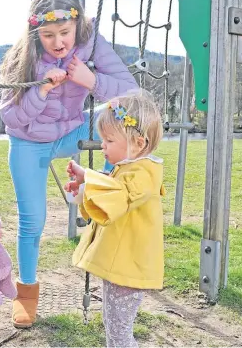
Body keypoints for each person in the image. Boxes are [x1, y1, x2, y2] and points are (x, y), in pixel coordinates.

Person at [0, 0, 138, 328]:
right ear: (35, 32)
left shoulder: (91, 42)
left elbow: (134, 90)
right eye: (47, 35)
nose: (58, 42)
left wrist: (92, 79)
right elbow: (11, 118)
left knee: (123, 117)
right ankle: (25, 294)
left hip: (73, 133)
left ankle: (101, 189)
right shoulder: (24, 57)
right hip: (29, 142)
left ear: (77, 25)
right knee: (33, 220)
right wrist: (42, 90)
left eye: (64, 32)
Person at [65, 90, 165, 347]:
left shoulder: (144, 173)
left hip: (128, 267)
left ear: (138, 143)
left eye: (109, 140)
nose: (103, 146)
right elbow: (107, 208)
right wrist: (84, 191)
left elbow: (120, 198)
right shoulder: (126, 170)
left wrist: (89, 178)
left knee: (119, 333)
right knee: (114, 327)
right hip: (120, 267)